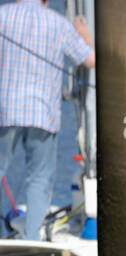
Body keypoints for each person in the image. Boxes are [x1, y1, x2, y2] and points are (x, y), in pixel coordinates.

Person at [0, 0, 94, 243]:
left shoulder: (3, 15)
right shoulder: (58, 23)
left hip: (5, 109)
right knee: (39, 177)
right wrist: (84, 34)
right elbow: (90, 60)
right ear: (47, 1)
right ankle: (32, 238)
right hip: (42, 112)